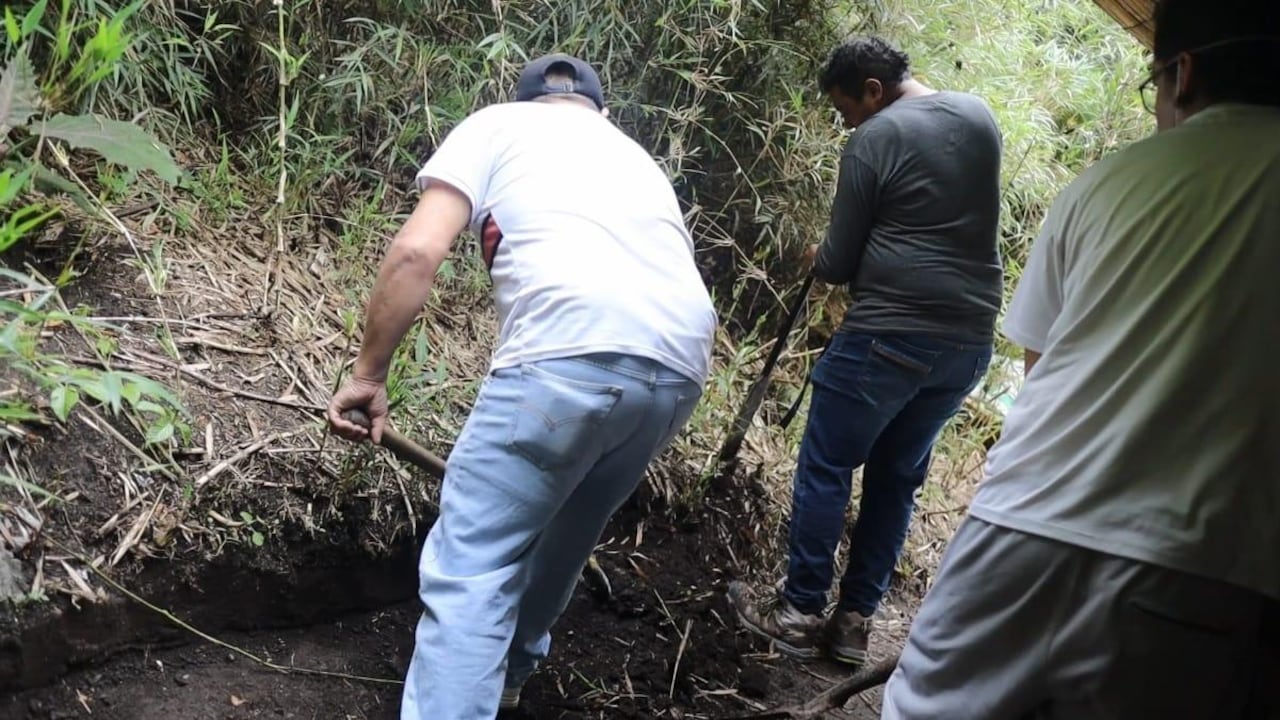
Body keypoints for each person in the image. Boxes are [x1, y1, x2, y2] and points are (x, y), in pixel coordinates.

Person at [880, 0, 1280, 717]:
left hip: (1019, 526)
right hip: (1202, 569)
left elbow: (1038, 369)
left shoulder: (1110, 180)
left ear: (1181, 75)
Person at [326, 53, 717, 720]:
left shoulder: (497, 126)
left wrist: (367, 374)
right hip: (678, 370)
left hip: (565, 357)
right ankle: (507, 678)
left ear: (527, 99)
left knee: (474, 565)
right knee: (567, 534)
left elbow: (418, 252)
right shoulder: (636, 157)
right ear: (600, 111)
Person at [728, 35, 1004, 665]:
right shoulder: (979, 116)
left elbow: (839, 261)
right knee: (896, 479)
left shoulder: (875, 138)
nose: (844, 121)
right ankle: (853, 623)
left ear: (872, 91)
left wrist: (815, 258)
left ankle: (799, 613)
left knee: (827, 463)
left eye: (844, 107)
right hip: (966, 343)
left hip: (888, 333)